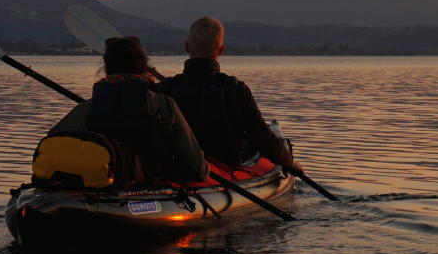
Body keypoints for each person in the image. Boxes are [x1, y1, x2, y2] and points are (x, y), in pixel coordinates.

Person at [159, 16, 299, 171]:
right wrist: (289, 162)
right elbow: (261, 137)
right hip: (229, 162)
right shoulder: (236, 89)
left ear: (186, 46)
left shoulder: (164, 89)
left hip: (178, 166)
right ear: (221, 50)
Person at [80, 36, 208, 183]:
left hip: (103, 180)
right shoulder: (164, 104)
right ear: (143, 65)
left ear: (106, 68)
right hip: (149, 183)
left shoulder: (91, 106)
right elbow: (198, 170)